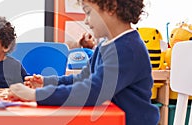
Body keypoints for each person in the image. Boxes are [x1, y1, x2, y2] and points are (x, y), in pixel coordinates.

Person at [9, 0, 160, 125]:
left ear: (111, 7)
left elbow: (93, 90)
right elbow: (83, 78)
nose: (86, 21)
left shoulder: (127, 49)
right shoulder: (106, 45)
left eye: (88, 12)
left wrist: (36, 95)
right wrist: (47, 82)